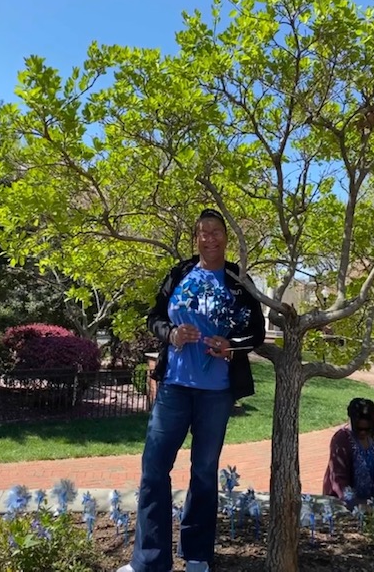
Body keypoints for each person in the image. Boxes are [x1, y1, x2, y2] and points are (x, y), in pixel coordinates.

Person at [117, 208, 266, 572]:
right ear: (196, 237)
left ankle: (197, 556)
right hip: (174, 388)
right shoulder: (180, 273)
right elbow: (155, 317)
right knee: (153, 469)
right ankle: (150, 561)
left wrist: (230, 345)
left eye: (216, 231)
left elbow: (257, 333)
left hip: (216, 392)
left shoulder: (238, 280)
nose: (209, 238)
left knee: (203, 472)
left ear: (226, 238)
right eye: (203, 232)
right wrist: (171, 334)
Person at [323, 397, 374, 503]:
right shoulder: (341, 439)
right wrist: (354, 503)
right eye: (359, 429)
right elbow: (338, 479)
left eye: (367, 429)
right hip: (344, 502)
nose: (363, 433)